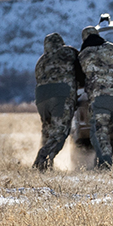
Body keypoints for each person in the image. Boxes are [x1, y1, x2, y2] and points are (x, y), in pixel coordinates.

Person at [78, 26, 113, 169]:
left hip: (101, 99)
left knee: (98, 132)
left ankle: (105, 165)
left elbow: (80, 78)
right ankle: (99, 160)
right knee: (102, 131)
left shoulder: (84, 54)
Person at [33, 32, 83, 171]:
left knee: (47, 130)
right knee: (60, 132)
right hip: (61, 94)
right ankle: (42, 158)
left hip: (41, 97)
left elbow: (38, 78)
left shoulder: (41, 60)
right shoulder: (69, 52)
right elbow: (81, 71)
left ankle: (46, 165)